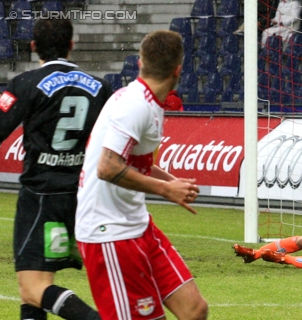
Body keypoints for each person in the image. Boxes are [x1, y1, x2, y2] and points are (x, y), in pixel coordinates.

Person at [75, 30, 208, 320]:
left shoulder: (147, 100)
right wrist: (165, 191)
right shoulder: (135, 105)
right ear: (178, 69)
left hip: (137, 224)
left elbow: (132, 161)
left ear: (140, 62)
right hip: (108, 230)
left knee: (194, 309)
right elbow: (107, 166)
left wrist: (169, 181)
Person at [0, 19, 110, 320]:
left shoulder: (25, 84)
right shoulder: (101, 88)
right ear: (71, 45)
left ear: (33, 46)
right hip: (80, 196)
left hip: (40, 195)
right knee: (35, 290)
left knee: (33, 287)